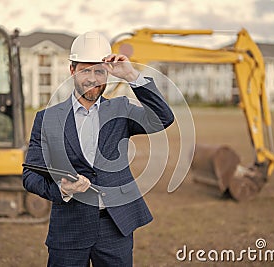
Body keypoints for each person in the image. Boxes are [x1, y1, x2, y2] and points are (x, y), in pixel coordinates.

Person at [23, 31, 174, 267]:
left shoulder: (121, 108)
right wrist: (62, 190)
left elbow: (163, 118)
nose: (92, 78)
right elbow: (30, 175)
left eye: (99, 71)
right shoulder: (47, 119)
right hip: (69, 228)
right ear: (72, 70)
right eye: (85, 70)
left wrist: (132, 76)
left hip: (114, 229)